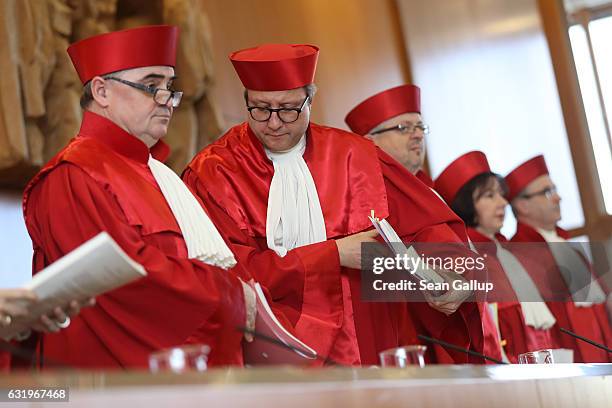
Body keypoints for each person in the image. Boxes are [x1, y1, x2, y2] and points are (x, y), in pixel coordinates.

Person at [184, 43, 487, 365]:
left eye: (288, 109)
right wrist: (332, 254)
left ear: (310, 101)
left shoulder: (356, 155)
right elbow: (224, 271)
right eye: (260, 108)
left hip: (370, 337)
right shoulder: (215, 171)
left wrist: (454, 274)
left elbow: (428, 228)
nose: (274, 123)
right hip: (276, 348)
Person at [22, 25, 257, 369]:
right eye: (151, 86)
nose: (167, 101)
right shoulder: (74, 175)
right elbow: (123, 285)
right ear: (101, 91)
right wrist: (228, 295)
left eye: (169, 87)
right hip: (115, 383)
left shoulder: (158, 173)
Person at [435, 151, 558, 363]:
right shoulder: (467, 258)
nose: (502, 202)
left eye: (501, 194)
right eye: (489, 196)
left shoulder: (506, 250)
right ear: (466, 204)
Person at [506, 155, 612, 362]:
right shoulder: (518, 254)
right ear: (522, 205)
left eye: (554, 190)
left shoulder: (567, 247)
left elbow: (599, 307)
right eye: (547, 192)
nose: (557, 198)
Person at [345, 84, 433, 186]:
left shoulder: (431, 190)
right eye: (404, 128)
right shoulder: (368, 196)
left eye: (420, 127)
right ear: (370, 142)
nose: (419, 135)